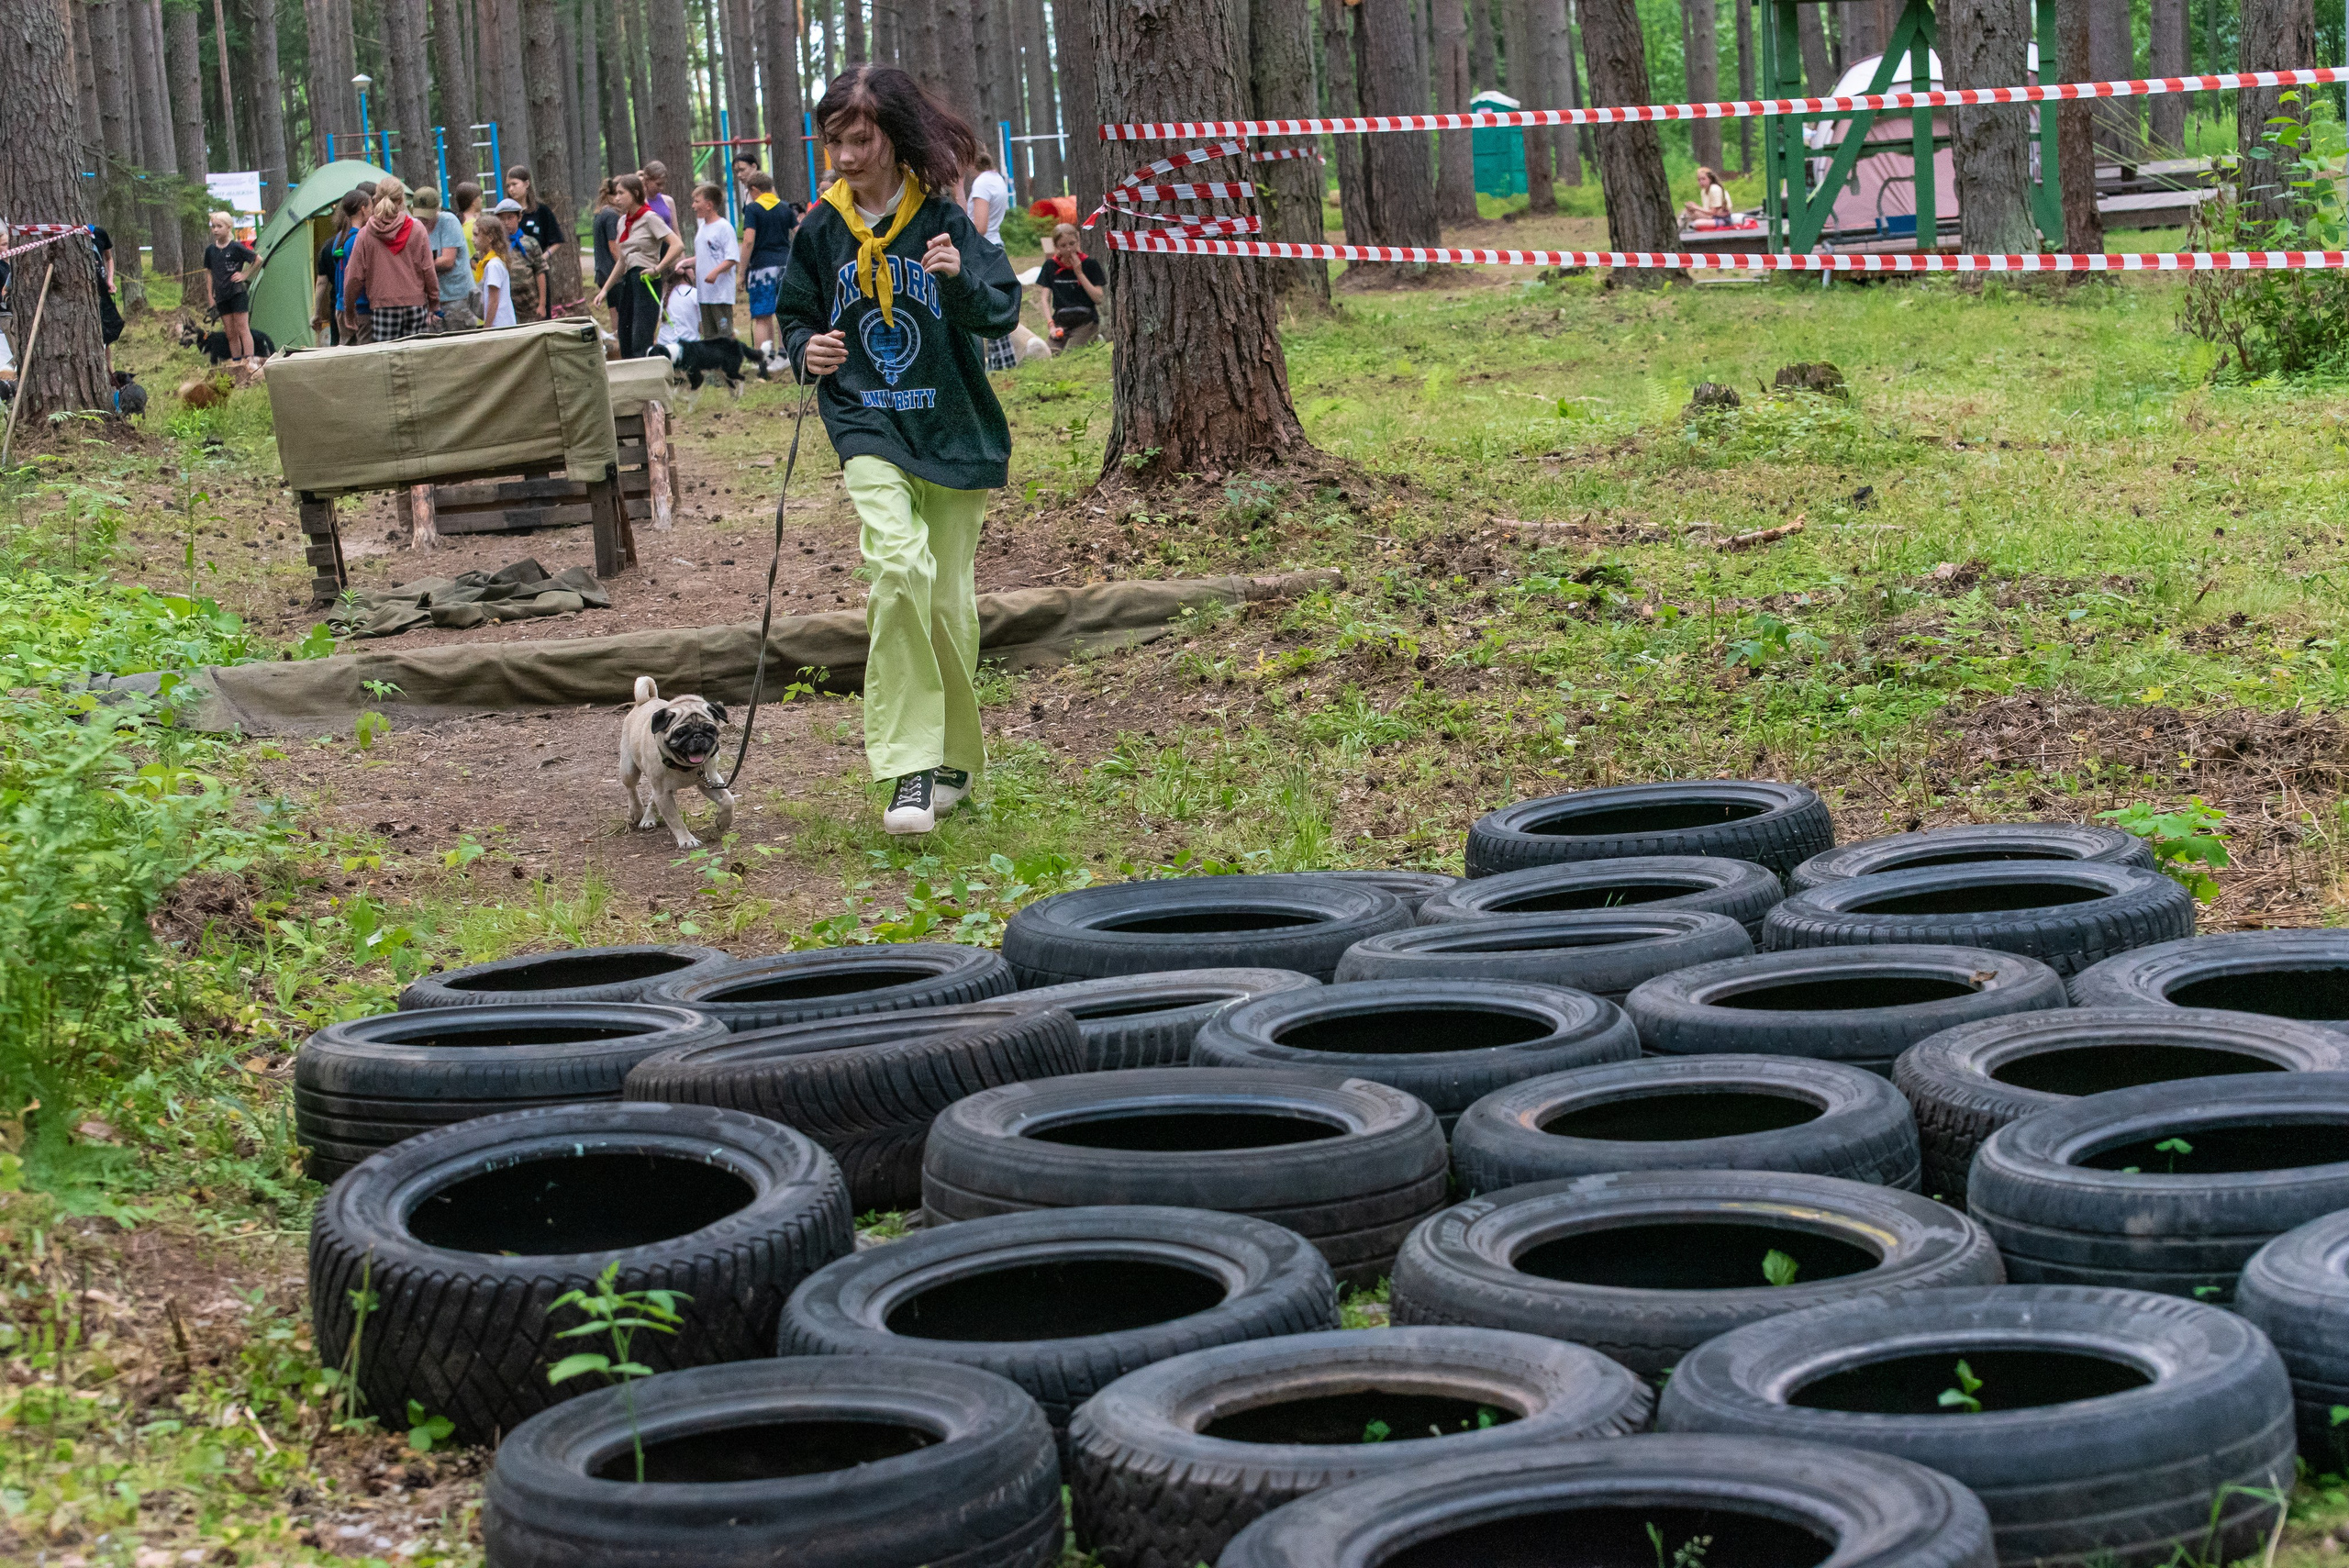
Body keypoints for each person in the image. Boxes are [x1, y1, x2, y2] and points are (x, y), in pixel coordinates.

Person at [777, 64, 1020, 836]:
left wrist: (958, 282)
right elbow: (795, 314)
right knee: (895, 564)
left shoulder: (944, 220)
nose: (845, 156)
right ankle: (907, 769)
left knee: (947, 597)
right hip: (866, 422)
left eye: (859, 139)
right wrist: (803, 349)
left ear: (893, 136)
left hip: (950, 428)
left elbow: (1000, 311)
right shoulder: (819, 231)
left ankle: (954, 759)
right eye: (833, 141)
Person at [595, 172, 684, 358]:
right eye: (615, 194)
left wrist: (657, 269)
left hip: (646, 280)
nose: (617, 198)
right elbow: (622, 260)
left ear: (635, 193)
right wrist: (605, 290)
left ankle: (647, 379)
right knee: (625, 334)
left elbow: (677, 245)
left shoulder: (650, 218)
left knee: (640, 337)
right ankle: (631, 379)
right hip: (629, 281)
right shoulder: (622, 222)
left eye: (621, 193)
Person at [341, 176, 439, 342]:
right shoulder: (417, 229)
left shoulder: (366, 234)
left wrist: (349, 310)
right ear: (401, 200)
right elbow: (428, 269)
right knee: (415, 360)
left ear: (376, 200)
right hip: (415, 306)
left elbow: (354, 276)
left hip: (382, 308)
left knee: (387, 361)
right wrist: (434, 302)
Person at [737, 168, 797, 365]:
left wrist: (741, 271)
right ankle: (785, 354)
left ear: (754, 189)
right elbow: (799, 232)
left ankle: (763, 358)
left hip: (761, 268)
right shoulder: (785, 208)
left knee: (762, 315)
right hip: (785, 266)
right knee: (783, 311)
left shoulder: (753, 210)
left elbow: (748, 241)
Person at [1035, 224, 1105, 353]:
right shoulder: (1051, 266)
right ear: (1057, 247)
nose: (1068, 249)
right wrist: (1051, 325)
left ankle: (1094, 338)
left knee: (1072, 353)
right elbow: (1044, 298)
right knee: (1050, 353)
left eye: (1072, 243)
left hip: (1086, 319)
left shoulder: (1090, 264)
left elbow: (1098, 298)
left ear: (1078, 241)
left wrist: (1079, 274)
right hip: (1062, 320)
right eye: (1063, 246)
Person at [415, 185, 476, 330]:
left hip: (456, 297)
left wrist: (418, 267)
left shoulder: (448, 221)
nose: (424, 219)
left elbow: (448, 261)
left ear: (437, 209)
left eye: (427, 215)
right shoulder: (416, 226)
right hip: (433, 300)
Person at [201, 211, 259, 364]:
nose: (215, 230)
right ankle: (237, 362)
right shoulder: (210, 251)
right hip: (221, 295)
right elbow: (209, 273)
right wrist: (210, 295)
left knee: (242, 329)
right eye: (213, 227)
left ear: (228, 228)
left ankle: (250, 362)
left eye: (219, 226)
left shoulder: (236, 247)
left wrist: (245, 274)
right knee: (230, 333)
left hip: (237, 293)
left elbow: (257, 259)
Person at [313, 190, 365, 345]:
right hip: (358, 305)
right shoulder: (359, 240)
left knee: (340, 349)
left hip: (337, 306)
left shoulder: (330, 245)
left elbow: (322, 282)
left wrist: (316, 313)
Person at [690, 183, 738, 342]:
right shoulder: (702, 227)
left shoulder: (724, 227)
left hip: (720, 293)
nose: (693, 206)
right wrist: (686, 263)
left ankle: (730, 363)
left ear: (709, 205)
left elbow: (731, 258)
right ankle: (714, 366)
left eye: (697, 201)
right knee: (709, 335)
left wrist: (715, 272)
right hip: (704, 293)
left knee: (724, 333)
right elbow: (704, 256)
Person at [495, 198, 548, 321]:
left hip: (530, 304)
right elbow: (477, 261)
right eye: (502, 219)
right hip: (506, 305)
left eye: (510, 218)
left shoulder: (530, 243)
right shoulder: (496, 246)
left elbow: (540, 271)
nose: (506, 222)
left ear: (519, 217)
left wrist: (542, 304)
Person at [506, 166, 567, 258]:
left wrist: (543, 258)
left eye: (514, 184)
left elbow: (557, 239)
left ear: (526, 184)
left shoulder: (541, 211)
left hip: (536, 267)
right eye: (508, 186)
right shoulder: (504, 213)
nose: (511, 189)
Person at [473, 216, 517, 328]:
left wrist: (486, 328)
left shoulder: (493, 265)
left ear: (490, 238)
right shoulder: (494, 262)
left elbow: (494, 301)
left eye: (476, 235)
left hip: (499, 325)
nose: (473, 239)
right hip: (502, 324)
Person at [656, 264, 702, 349]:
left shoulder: (665, 295)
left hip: (663, 345)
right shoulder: (695, 294)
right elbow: (702, 328)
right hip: (688, 347)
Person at [591, 177, 622, 295]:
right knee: (619, 311)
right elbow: (613, 247)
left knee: (614, 308)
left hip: (602, 272)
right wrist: (624, 269)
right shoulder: (611, 215)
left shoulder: (601, 212)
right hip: (612, 273)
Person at [642, 160, 677, 227]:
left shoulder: (668, 201)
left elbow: (676, 230)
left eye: (663, 184)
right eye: (658, 184)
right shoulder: (639, 203)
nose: (661, 188)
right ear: (647, 180)